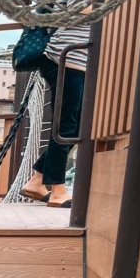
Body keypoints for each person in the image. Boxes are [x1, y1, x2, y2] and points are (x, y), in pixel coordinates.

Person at [18, 20, 89, 208]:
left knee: (77, 128)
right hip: (65, 58)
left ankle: (37, 181)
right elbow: (78, 8)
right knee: (66, 126)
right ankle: (57, 191)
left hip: (78, 62)